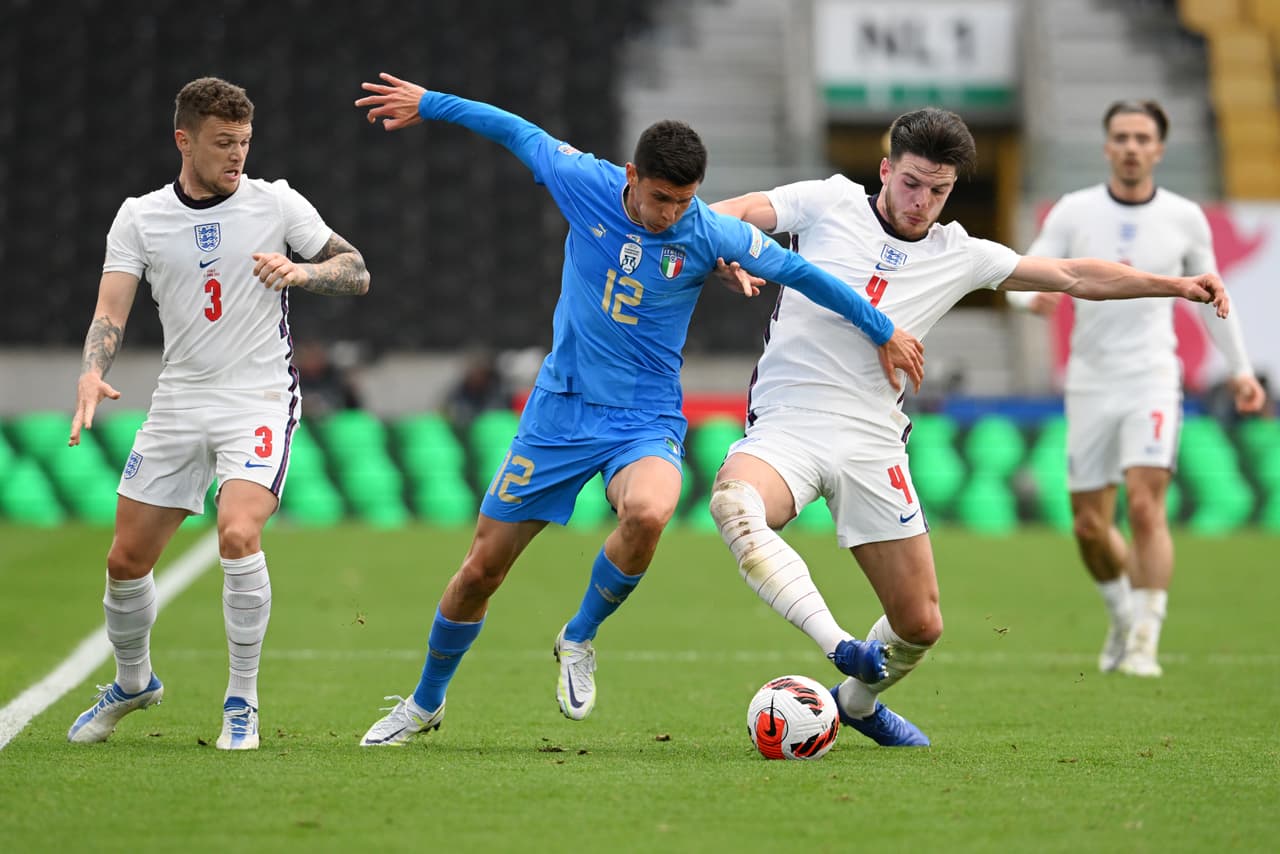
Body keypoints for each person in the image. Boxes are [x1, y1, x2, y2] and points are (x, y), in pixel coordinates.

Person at [351, 72, 925, 746]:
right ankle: (424, 702)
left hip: (643, 420)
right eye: (660, 199)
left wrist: (881, 327)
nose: (671, 214)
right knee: (481, 571)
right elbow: (516, 130)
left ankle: (579, 635)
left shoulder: (708, 230)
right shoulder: (584, 181)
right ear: (631, 177)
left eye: (684, 201)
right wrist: (430, 104)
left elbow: (803, 275)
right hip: (559, 412)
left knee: (650, 511)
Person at [705, 106, 1230, 746]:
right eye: (911, 183)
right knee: (735, 503)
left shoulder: (961, 253)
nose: (922, 202)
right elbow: (724, 215)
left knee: (920, 624)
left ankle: (857, 703)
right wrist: (724, 255)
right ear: (884, 170)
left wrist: (1175, 284)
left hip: (873, 443)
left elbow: (1073, 275)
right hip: (789, 423)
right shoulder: (827, 202)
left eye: (939, 190)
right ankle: (839, 645)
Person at [66, 77, 371, 750]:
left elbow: (356, 269)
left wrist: (304, 273)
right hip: (180, 399)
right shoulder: (140, 217)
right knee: (125, 560)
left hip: (257, 396)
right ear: (185, 140)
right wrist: (93, 371)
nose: (237, 155)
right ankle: (134, 681)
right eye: (223, 143)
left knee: (238, 534)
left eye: (245, 142)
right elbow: (110, 309)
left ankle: (241, 700)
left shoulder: (277, 203)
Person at [1010, 99, 1264, 677]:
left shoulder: (1183, 217)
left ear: (1159, 149)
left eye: (1142, 137)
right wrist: (1031, 299)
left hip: (1151, 376)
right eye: (1121, 136)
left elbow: (1211, 298)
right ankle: (1123, 615)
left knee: (1147, 507)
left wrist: (1242, 371)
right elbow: (1021, 270)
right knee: (1089, 526)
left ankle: (1146, 639)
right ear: (1106, 147)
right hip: (1089, 381)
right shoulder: (1074, 211)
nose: (1130, 147)